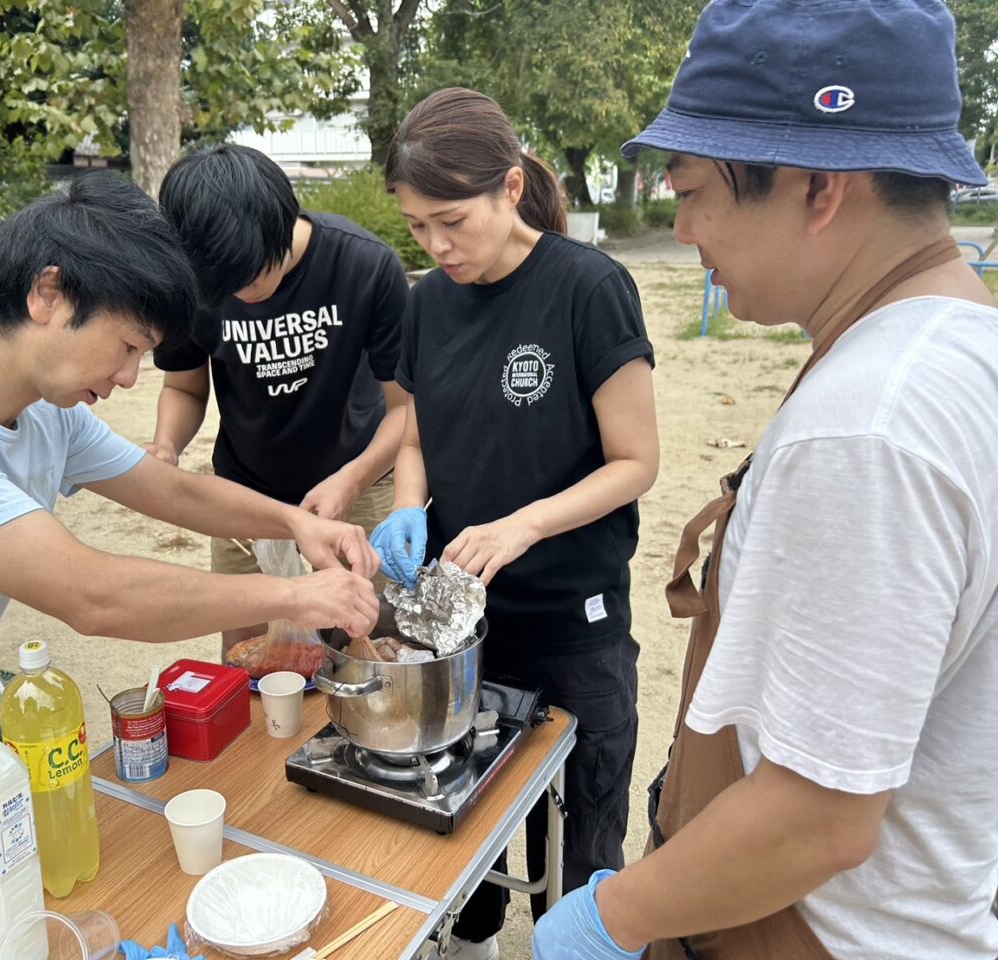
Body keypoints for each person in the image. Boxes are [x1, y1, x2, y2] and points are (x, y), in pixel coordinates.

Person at [531, 2, 998, 958]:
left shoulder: (869, 423)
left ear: (818, 188)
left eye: (692, 189)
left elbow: (819, 817)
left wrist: (610, 920)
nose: (682, 227)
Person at [0, 172, 379, 938]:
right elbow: (95, 596)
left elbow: (170, 490)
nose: (128, 377)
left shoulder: (42, 415)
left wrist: (299, 526)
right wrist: (294, 598)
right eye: (126, 346)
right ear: (48, 295)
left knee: (3, 923)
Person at [371, 88, 660, 960]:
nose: (436, 245)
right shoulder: (429, 302)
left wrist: (524, 525)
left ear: (509, 186)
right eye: (418, 227)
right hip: (466, 627)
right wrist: (404, 506)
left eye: (450, 221)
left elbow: (636, 463)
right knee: (475, 811)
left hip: (574, 622)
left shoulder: (588, 288)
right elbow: (417, 431)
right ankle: (477, 936)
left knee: (583, 833)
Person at [147, 144, 409, 658]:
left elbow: (405, 409)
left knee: (367, 648)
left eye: (249, 277)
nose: (240, 294)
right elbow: (183, 386)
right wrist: (165, 447)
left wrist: (353, 479)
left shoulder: (364, 266)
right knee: (251, 658)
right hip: (246, 502)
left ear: (281, 226)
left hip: (359, 488)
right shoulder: (194, 283)